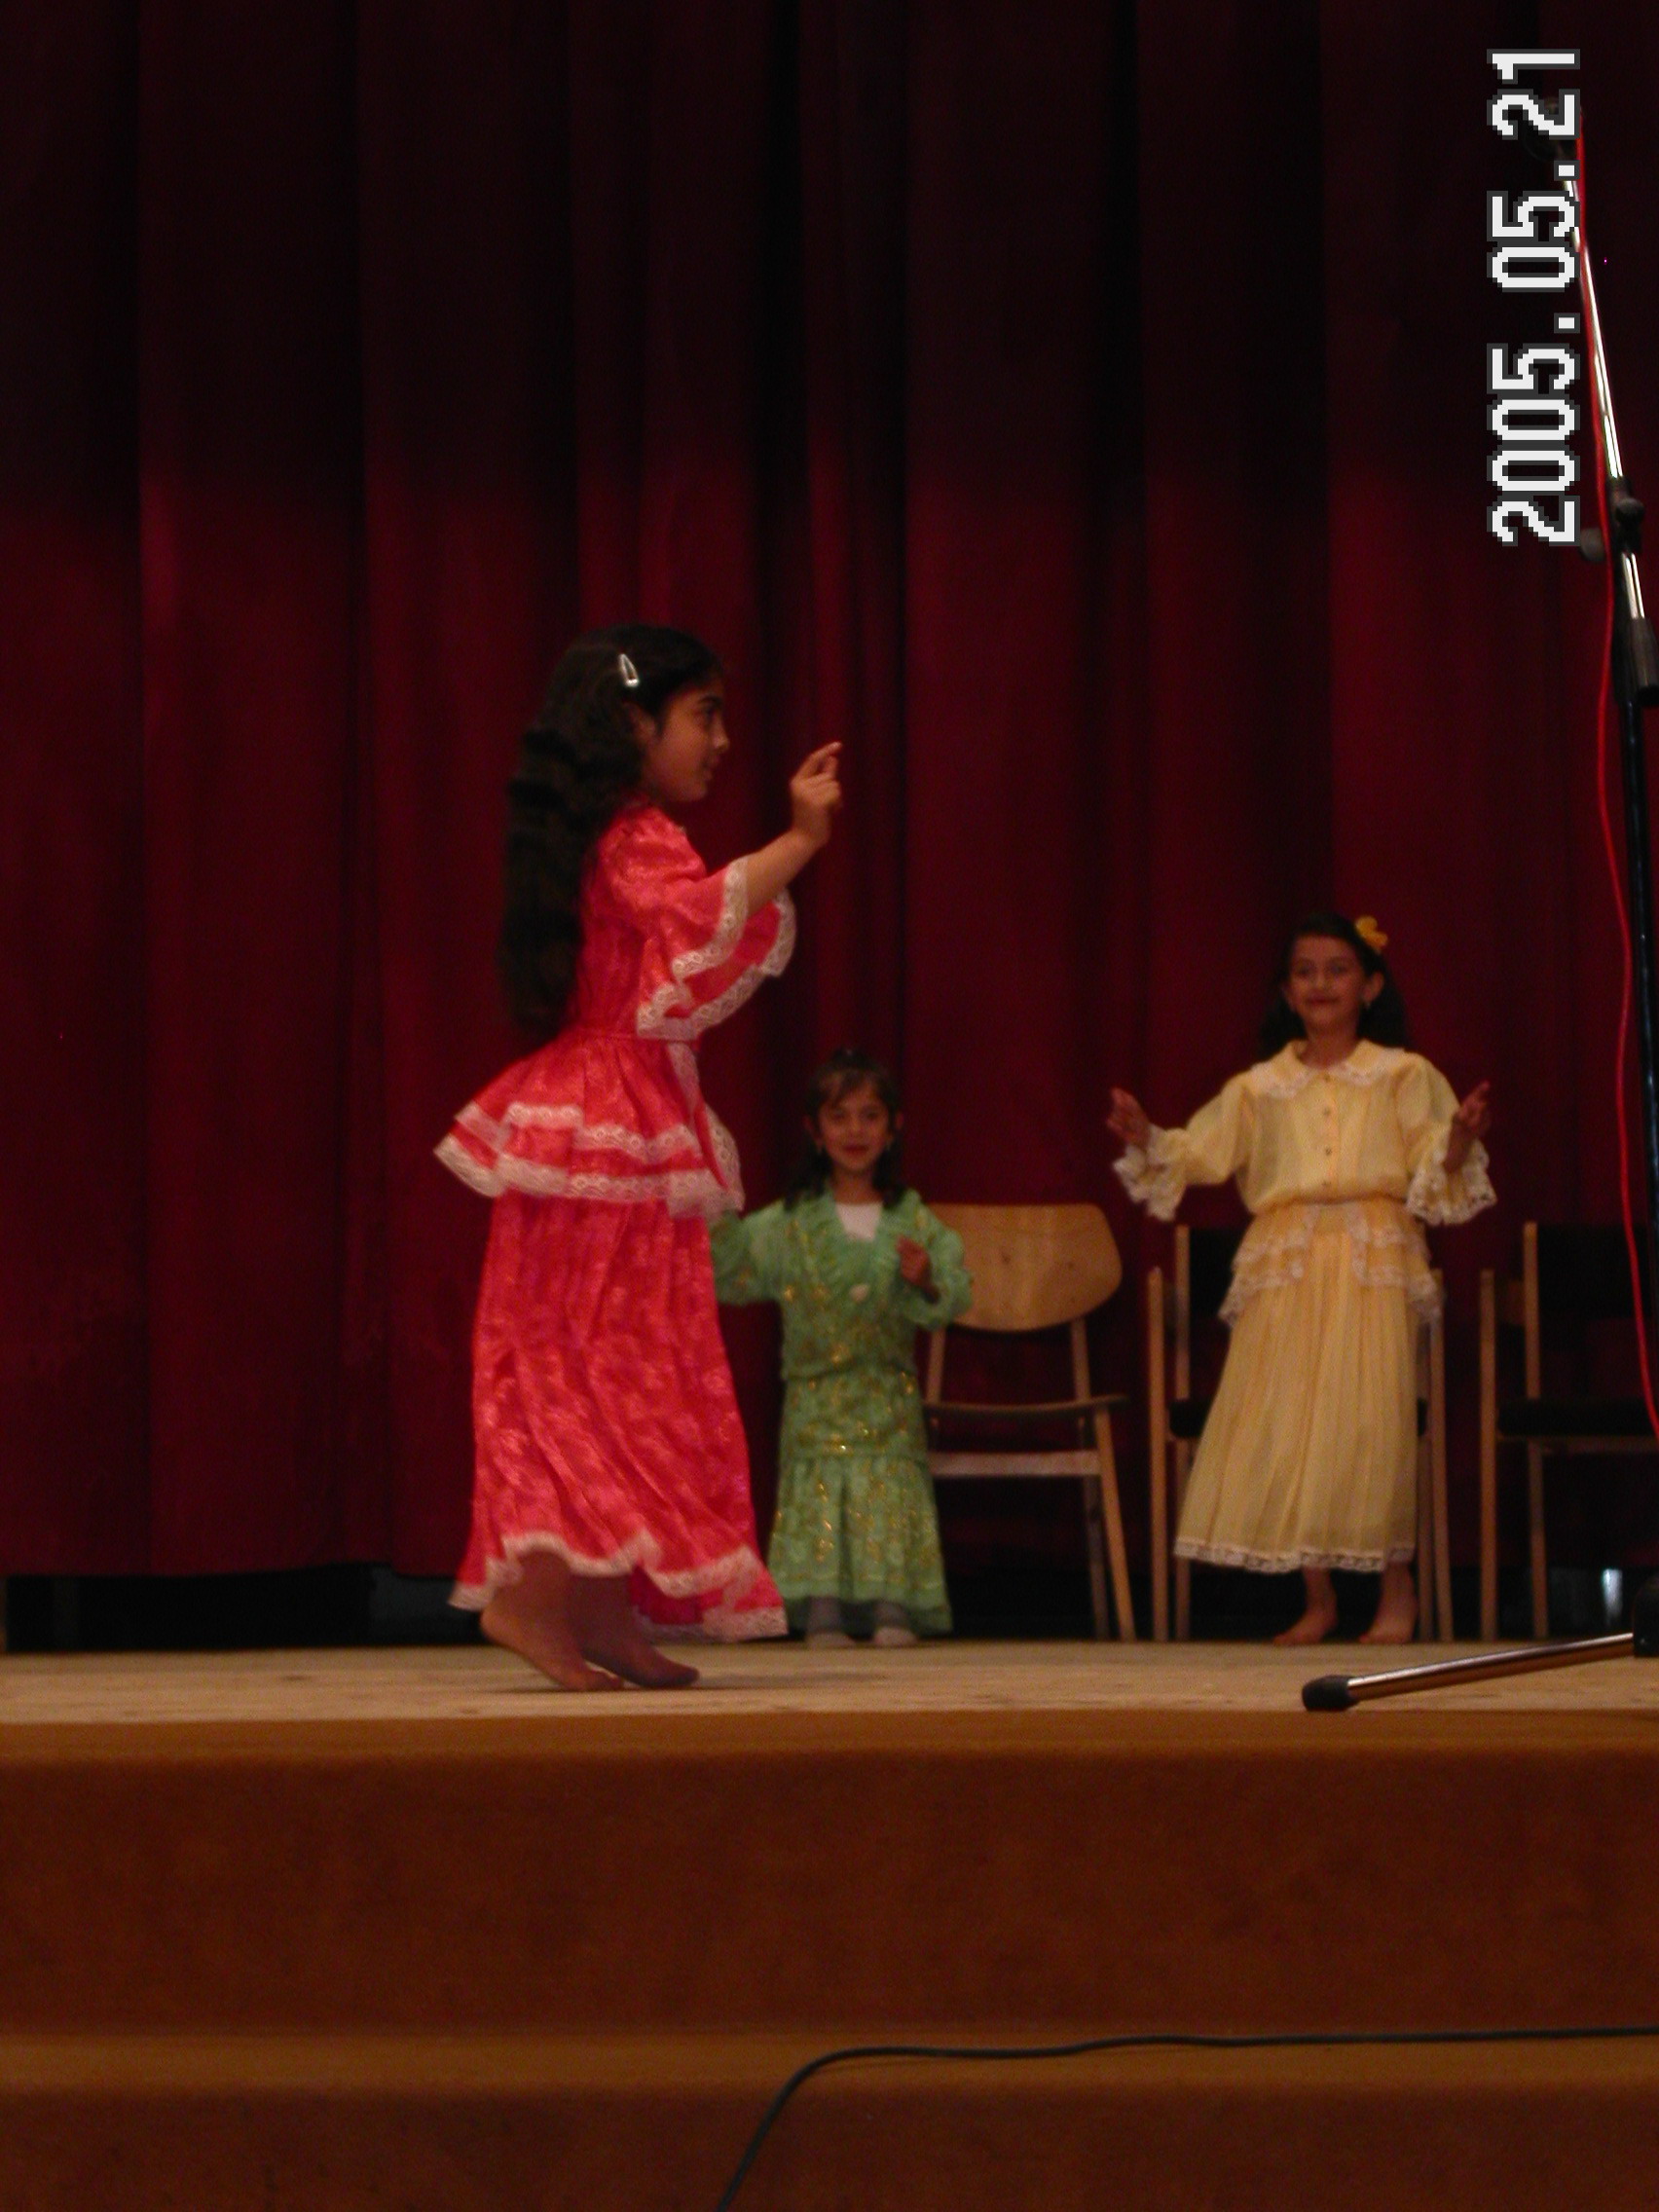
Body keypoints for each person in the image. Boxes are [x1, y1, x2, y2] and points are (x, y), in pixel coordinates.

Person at [436, 623, 842, 1689]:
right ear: (633, 723)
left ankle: (602, 1606)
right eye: (704, 715)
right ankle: (533, 1600)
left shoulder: (612, 835)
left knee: (627, 1359)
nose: (722, 740)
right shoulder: (633, 837)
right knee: (591, 1359)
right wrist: (801, 838)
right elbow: (701, 915)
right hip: (598, 1125)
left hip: (612, 1117)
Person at [1108, 913, 1493, 1645]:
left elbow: (1432, 1159)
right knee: (1293, 1418)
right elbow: (1201, 1152)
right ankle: (1317, 1597)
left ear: (1369, 986)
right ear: (1287, 991)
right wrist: (1147, 1137)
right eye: (1306, 972)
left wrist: (1459, 1139)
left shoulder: (1402, 1074)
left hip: (1369, 1253)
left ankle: (1395, 1586)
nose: (1321, 984)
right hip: (1286, 1256)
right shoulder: (1261, 1087)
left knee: (1370, 1421)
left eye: (1337, 969)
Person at [710, 1049, 971, 1646]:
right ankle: (822, 1609)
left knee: (886, 1490)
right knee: (821, 1489)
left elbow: (953, 1289)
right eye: (840, 1116)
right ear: (815, 1130)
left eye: (869, 1116)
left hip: (887, 1396)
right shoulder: (791, 1224)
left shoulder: (912, 1219)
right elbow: (732, 1267)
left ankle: (892, 1606)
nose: (855, 1131)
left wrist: (926, 1280)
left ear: (894, 1126)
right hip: (815, 1401)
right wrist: (710, 1211)